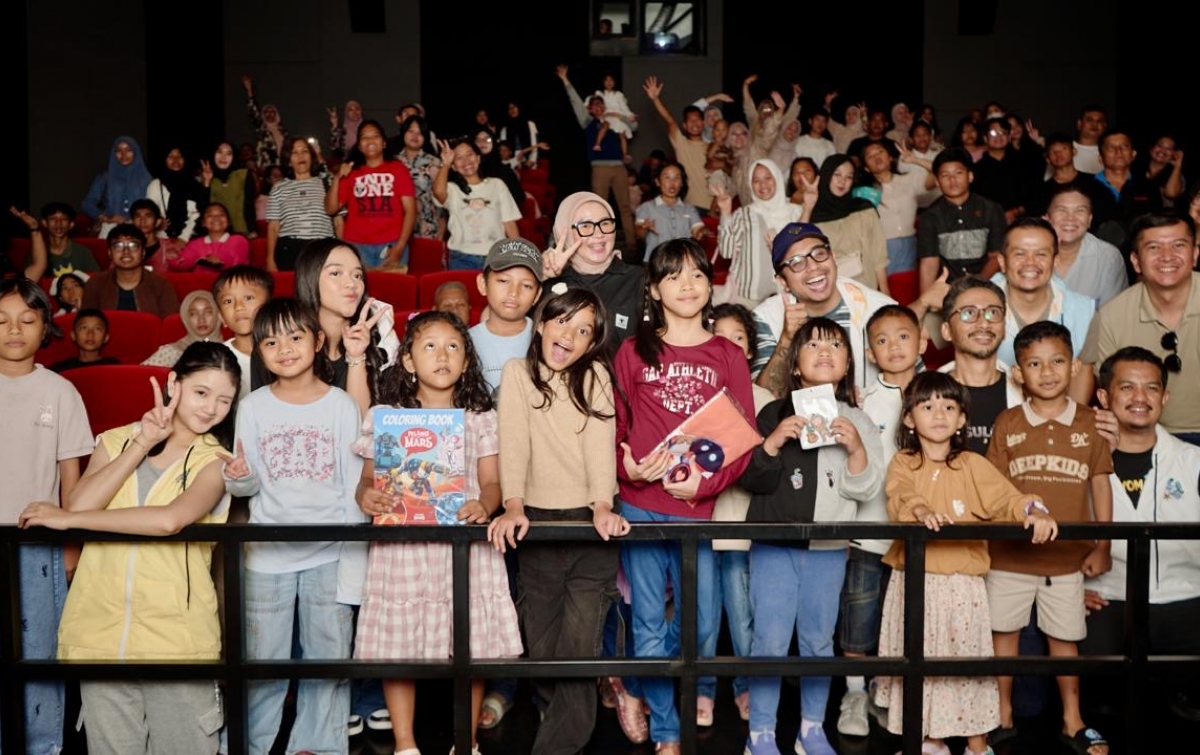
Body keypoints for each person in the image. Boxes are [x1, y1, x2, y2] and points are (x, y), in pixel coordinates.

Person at [19, 342, 240, 755]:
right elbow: (81, 504)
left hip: (177, 642)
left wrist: (69, 520)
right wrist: (141, 442)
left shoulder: (217, 461)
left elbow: (169, 519)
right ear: (173, 383)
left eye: (224, 399)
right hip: (99, 636)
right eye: (201, 393)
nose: (211, 408)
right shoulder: (117, 440)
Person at [353, 311, 522, 755]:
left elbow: (492, 481)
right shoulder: (387, 417)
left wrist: (485, 505)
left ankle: (464, 743)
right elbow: (367, 481)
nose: (442, 355)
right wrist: (368, 498)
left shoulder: (479, 417)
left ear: (466, 362)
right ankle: (405, 744)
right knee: (398, 646)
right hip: (403, 549)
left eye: (453, 346)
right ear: (407, 360)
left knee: (471, 643)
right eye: (429, 345)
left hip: (463, 545)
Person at [612, 238, 755, 754]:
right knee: (649, 620)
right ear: (653, 289)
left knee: (699, 625)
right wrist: (621, 464)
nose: (688, 284)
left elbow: (743, 441)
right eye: (673, 276)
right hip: (641, 504)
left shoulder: (727, 354)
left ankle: (633, 676)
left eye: (697, 273)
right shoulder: (631, 352)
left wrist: (706, 484)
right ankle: (669, 732)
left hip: (700, 509)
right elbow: (615, 427)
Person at [873, 371, 1059, 755]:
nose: (938, 413)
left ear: (961, 419)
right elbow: (901, 496)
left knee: (965, 666)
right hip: (915, 585)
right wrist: (921, 509)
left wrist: (1034, 509)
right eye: (927, 406)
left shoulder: (973, 465)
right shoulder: (903, 463)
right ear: (909, 418)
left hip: (962, 588)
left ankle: (977, 746)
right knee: (918, 663)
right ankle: (928, 740)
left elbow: (1010, 498)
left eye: (948, 406)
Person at [222, 298, 367, 755]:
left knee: (328, 660)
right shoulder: (254, 407)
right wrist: (239, 478)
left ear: (319, 341)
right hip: (266, 555)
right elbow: (248, 489)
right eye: (270, 341)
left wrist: (353, 560)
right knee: (263, 662)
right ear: (259, 352)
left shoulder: (342, 405)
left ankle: (318, 746)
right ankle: (252, 744)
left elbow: (353, 488)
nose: (284, 348)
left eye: (295, 336)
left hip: (329, 552)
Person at [488, 288, 628, 754]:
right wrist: (512, 504)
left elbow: (599, 446)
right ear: (542, 323)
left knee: (578, 653)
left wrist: (603, 505)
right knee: (545, 652)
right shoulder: (517, 373)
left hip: (590, 525)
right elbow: (515, 442)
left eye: (583, 329)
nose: (569, 334)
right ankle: (562, 725)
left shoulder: (597, 377)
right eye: (563, 321)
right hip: (536, 524)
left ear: (592, 344)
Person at [740, 319, 883, 755]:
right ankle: (760, 734)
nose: (825, 351)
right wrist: (772, 442)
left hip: (829, 548)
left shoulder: (858, 419)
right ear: (796, 366)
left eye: (835, 345)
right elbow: (751, 479)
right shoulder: (774, 413)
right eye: (814, 344)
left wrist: (856, 449)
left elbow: (867, 489)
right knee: (769, 640)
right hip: (773, 545)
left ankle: (811, 728)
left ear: (847, 364)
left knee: (819, 641)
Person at [984, 321, 1113, 755]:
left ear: (1074, 366)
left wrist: (1104, 544)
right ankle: (1000, 713)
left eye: (1057, 361)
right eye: (1034, 364)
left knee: (1065, 638)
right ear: (1018, 373)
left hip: (1065, 560)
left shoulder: (1091, 424)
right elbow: (996, 489)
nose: (1047, 371)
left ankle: (1072, 719)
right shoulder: (1008, 422)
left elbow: (1100, 485)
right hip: (1009, 557)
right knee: (1004, 634)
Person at [0, 278, 93, 755]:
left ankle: (44, 748)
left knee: (41, 654)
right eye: (1, 320)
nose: (14, 330)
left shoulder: (61, 392)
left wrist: (72, 544)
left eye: (27, 320)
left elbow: (71, 482)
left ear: (45, 328)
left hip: (37, 545)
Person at [1083, 347, 1200, 722]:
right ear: (1104, 396)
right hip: (1108, 596)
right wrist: (1070, 587)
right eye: (1127, 387)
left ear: (1164, 398)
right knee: (1103, 705)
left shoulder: (1192, 460)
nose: (1139, 398)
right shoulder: (1080, 458)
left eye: (1151, 389)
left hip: (1187, 595)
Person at [836, 304, 928, 736]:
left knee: (905, 623)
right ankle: (854, 693)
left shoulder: (937, 395)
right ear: (870, 353)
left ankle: (888, 694)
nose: (894, 346)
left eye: (903, 336)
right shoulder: (860, 400)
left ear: (923, 343)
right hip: (868, 534)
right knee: (859, 619)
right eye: (882, 340)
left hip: (920, 537)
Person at [706, 302, 777, 724]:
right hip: (696, 521)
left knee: (742, 612)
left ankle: (746, 685)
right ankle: (701, 688)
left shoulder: (766, 399)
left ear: (751, 349)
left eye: (738, 338)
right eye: (718, 337)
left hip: (739, 524)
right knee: (702, 619)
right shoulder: (692, 393)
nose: (728, 346)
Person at [1080, 213, 1199, 443]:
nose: (1167, 257)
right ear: (1135, 261)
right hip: (1142, 438)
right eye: (1154, 247)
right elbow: (1099, 386)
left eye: (1178, 246)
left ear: (1194, 254)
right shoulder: (1110, 316)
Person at [751, 222, 898, 398]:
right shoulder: (766, 318)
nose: (813, 266)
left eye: (819, 254)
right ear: (782, 281)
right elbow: (763, 399)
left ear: (833, 258)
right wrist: (787, 339)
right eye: (796, 262)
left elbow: (913, 382)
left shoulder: (879, 309)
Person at [990, 217, 1096, 403]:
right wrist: (924, 302)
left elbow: (1083, 374)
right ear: (1002, 262)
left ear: (1055, 261)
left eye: (1041, 254)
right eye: (1019, 254)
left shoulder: (1083, 311)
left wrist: (1070, 427)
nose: (1030, 263)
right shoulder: (975, 305)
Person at [293, 239, 398, 415]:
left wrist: (356, 356)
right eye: (336, 273)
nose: (352, 284)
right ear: (309, 278)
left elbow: (362, 425)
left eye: (357, 275)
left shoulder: (380, 333)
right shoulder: (281, 338)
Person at [540, 191, 645, 354]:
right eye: (585, 226)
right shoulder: (549, 285)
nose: (599, 233)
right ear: (563, 232)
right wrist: (540, 277)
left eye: (605, 223)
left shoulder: (638, 279)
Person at [557, 65, 638, 253]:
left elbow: (632, 128)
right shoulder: (589, 123)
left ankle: (633, 246)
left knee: (625, 207)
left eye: (602, 104)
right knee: (600, 209)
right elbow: (576, 103)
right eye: (595, 105)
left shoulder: (613, 121)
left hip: (618, 168)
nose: (599, 107)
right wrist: (565, 80)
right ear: (591, 109)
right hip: (600, 168)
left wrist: (619, 115)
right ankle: (600, 246)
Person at [327, 120, 418, 272]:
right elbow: (330, 209)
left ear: (383, 143)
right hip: (357, 246)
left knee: (391, 293)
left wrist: (400, 246)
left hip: (392, 244)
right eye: (364, 137)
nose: (370, 140)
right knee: (357, 294)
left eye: (375, 136)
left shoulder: (398, 169)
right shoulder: (351, 172)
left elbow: (411, 211)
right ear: (359, 146)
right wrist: (337, 178)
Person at [917, 148, 1008, 296]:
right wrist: (925, 301)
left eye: (958, 173)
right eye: (945, 175)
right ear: (937, 182)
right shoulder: (930, 216)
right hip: (947, 291)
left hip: (989, 286)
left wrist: (976, 285)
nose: (952, 180)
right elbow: (929, 262)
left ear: (970, 176)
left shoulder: (992, 209)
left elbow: (996, 256)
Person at [714, 158, 804, 307]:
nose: (762, 185)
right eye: (756, 180)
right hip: (747, 296)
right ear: (750, 184)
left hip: (785, 296)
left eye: (768, 178)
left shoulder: (795, 212)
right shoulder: (744, 213)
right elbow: (727, 251)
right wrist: (725, 213)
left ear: (777, 178)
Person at [433, 138, 522, 271]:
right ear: (453, 166)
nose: (466, 161)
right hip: (462, 258)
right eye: (459, 158)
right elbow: (438, 192)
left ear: (478, 158)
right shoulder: (452, 189)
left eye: (470, 155)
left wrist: (519, 255)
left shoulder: (497, 185)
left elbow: (509, 223)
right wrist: (445, 163)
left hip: (495, 257)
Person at [809, 154, 891, 294]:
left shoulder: (864, 209)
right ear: (826, 175)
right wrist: (807, 207)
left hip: (866, 290)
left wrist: (885, 293)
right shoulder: (813, 216)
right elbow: (798, 247)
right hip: (830, 294)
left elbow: (879, 256)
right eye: (837, 174)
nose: (843, 181)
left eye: (849, 177)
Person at [470, 238, 542, 394]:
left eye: (527, 285)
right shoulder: (465, 341)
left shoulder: (545, 340)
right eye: (503, 281)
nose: (513, 292)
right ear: (483, 284)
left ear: (537, 295)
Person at [862, 141, 938, 277]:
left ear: (891, 158)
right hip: (880, 247)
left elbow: (940, 172)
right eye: (870, 156)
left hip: (910, 245)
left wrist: (915, 159)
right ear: (866, 168)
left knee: (906, 290)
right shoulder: (864, 192)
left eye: (880, 151)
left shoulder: (908, 180)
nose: (876, 157)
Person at [1043, 185, 1127, 308]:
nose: (1070, 218)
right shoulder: (1028, 253)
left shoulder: (1108, 257)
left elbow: (1110, 316)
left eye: (1080, 211)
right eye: (1062, 210)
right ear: (1047, 218)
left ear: (1089, 220)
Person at [642, 74, 715, 211]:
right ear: (685, 126)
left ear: (704, 123)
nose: (695, 123)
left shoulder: (712, 147)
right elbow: (669, 120)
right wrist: (656, 99)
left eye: (698, 119)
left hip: (714, 208)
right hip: (691, 207)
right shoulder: (682, 144)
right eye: (690, 121)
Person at [266, 136, 336, 272]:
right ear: (289, 160)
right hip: (289, 251)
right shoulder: (279, 188)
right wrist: (270, 259)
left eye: (305, 151)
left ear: (312, 156)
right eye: (294, 153)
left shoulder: (328, 183)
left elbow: (339, 222)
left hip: (322, 249)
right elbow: (273, 227)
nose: (300, 156)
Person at [81, 224, 179, 317]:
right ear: (110, 252)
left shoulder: (161, 285)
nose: (126, 251)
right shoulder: (95, 284)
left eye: (133, 246)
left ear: (143, 252)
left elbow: (170, 328)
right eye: (118, 246)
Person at [81, 135, 153, 237]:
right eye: (118, 151)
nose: (123, 154)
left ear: (136, 152)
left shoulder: (146, 179)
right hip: (111, 228)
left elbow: (152, 208)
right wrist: (106, 217)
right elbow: (87, 204)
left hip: (139, 229)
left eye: (129, 150)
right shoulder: (105, 177)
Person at [635, 161, 706, 263]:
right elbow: (639, 234)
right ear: (657, 181)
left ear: (682, 183)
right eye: (667, 177)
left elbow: (697, 229)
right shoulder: (647, 207)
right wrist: (643, 227)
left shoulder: (689, 209)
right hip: (656, 263)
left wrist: (701, 232)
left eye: (677, 178)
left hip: (682, 263)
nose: (672, 183)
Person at [393, 115, 445, 241]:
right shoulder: (393, 162)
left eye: (420, 133)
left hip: (427, 224)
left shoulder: (435, 162)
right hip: (398, 223)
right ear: (403, 133)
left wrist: (442, 226)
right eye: (411, 131)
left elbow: (441, 198)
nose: (415, 136)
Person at [143, 291, 220, 367]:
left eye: (208, 312)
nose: (201, 319)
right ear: (186, 318)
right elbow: (139, 376)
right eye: (193, 314)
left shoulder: (230, 350)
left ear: (218, 315)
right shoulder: (171, 353)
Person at [169, 202, 250, 271]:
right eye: (210, 215)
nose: (216, 218)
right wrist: (172, 256)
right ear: (203, 223)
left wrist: (218, 261)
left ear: (228, 221)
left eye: (221, 214)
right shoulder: (195, 244)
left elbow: (234, 261)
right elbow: (181, 263)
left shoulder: (239, 240)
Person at [145, 144, 203, 241]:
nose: (175, 160)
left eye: (179, 156)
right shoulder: (156, 184)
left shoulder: (194, 185)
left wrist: (183, 238)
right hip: (161, 239)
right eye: (170, 156)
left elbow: (196, 215)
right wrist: (157, 222)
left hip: (190, 239)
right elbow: (149, 212)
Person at [200, 141, 258, 237]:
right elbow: (203, 209)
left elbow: (249, 206)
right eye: (219, 152)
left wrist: (252, 230)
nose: (223, 157)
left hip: (242, 232)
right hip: (215, 232)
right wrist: (206, 183)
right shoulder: (207, 177)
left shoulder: (244, 175)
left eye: (228, 153)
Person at [38, 202, 99, 278]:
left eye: (64, 219)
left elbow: (96, 281)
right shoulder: (37, 252)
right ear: (44, 223)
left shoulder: (83, 252)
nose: (58, 224)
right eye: (53, 219)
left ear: (71, 224)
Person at [50, 307, 120, 372]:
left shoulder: (114, 366)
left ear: (106, 337)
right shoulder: (61, 369)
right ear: (73, 335)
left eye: (97, 329)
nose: (90, 334)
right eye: (83, 328)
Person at [242, 74, 288, 169]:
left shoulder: (282, 131)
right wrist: (249, 91)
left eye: (272, 112)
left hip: (283, 166)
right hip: (267, 166)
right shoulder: (261, 128)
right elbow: (253, 112)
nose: (269, 114)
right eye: (266, 112)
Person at [1073, 106, 1108, 175]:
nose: (1094, 124)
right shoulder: (1065, 148)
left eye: (1099, 121)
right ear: (1079, 124)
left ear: (1105, 125)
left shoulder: (1111, 152)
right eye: (1089, 120)